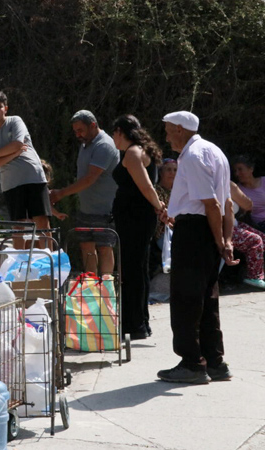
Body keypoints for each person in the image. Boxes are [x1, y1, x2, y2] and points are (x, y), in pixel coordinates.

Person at [158, 110, 236, 384]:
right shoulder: (215, 151)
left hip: (195, 233)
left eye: (169, 131)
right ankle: (214, 361)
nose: (167, 138)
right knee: (206, 298)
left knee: (186, 299)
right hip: (206, 230)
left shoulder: (192, 156)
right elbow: (225, 204)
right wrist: (225, 240)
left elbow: (211, 203)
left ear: (180, 129)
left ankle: (192, 363)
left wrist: (219, 240)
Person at [110, 114, 164, 340]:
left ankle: (134, 324)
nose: (113, 137)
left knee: (132, 270)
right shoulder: (141, 150)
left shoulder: (133, 153)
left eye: (114, 133)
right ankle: (139, 321)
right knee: (137, 269)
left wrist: (160, 207)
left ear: (120, 132)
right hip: (136, 218)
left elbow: (146, 186)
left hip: (135, 219)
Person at [50, 110, 120, 275]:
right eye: (75, 131)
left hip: (105, 210)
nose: (78, 135)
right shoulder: (85, 144)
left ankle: (106, 288)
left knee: (104, 248)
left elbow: (90, 178)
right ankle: (92, 287)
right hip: (86, 209)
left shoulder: (104, 145)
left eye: (80, 130)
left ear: (93, 126)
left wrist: (60, 194)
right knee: (86, 247)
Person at [0, 90, 50, 249]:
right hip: (11, 183)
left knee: (41, 220)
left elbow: (17, 143)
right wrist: (14, 154)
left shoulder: (15, 121)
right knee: (17, 224)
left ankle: (48, 262)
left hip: (33, 177)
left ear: (6, 108)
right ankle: (20, 263)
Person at [229, 181, 265, 289]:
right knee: (255, 240)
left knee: (263, 237)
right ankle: (254, 277)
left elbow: (248, 205)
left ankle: (260, 273)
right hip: (223, 226)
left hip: (234, 223)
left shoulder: (227, 183)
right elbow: (247, 205)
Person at [233, 155, 265, 232]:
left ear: (251, 169)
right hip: (256, 226)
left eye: (240, 169)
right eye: (235, 171)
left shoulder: (264, 181)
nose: (237, 174)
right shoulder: (236, 189)